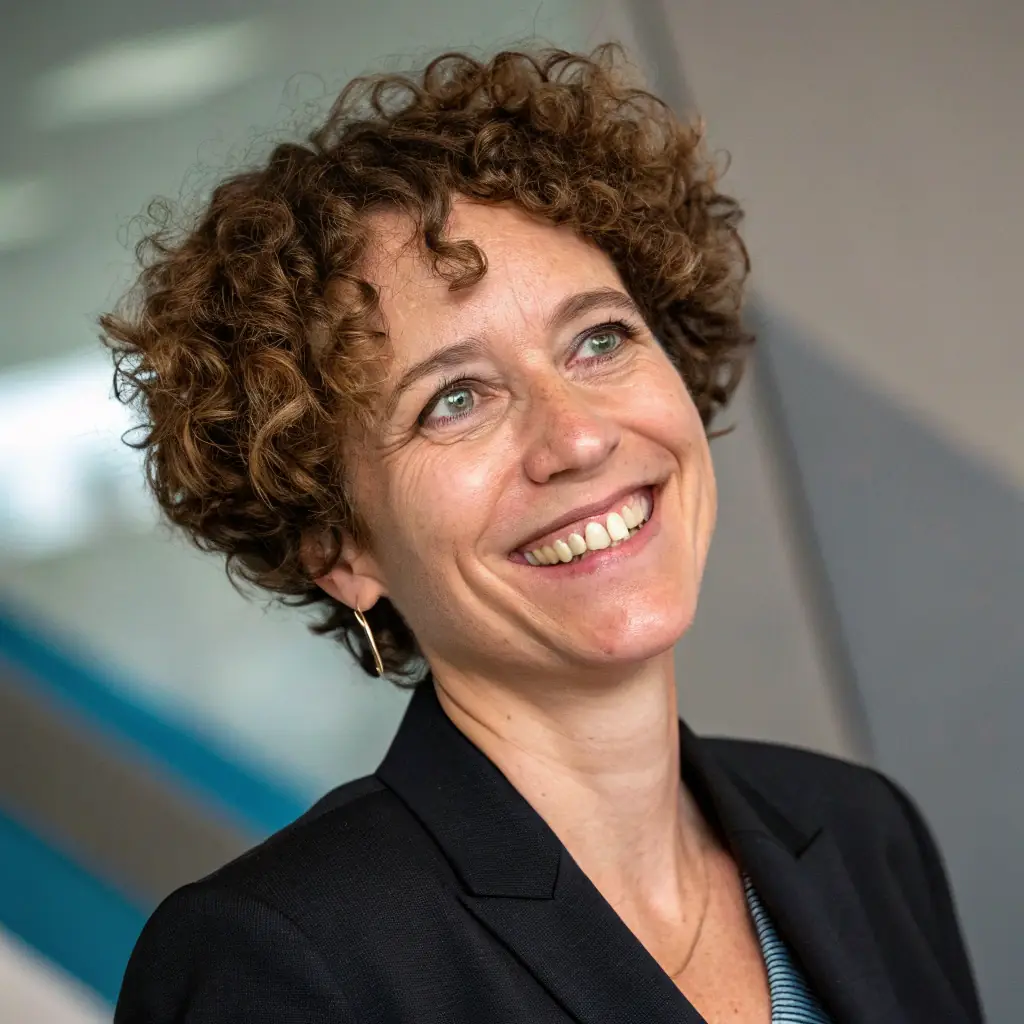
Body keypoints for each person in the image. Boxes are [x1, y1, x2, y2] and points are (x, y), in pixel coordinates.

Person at [103, 45, 983, 1024]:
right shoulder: (281, 965)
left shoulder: (861, 836)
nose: (576, 436)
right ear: (337, 549)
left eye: (599, 339)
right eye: (455, 398)